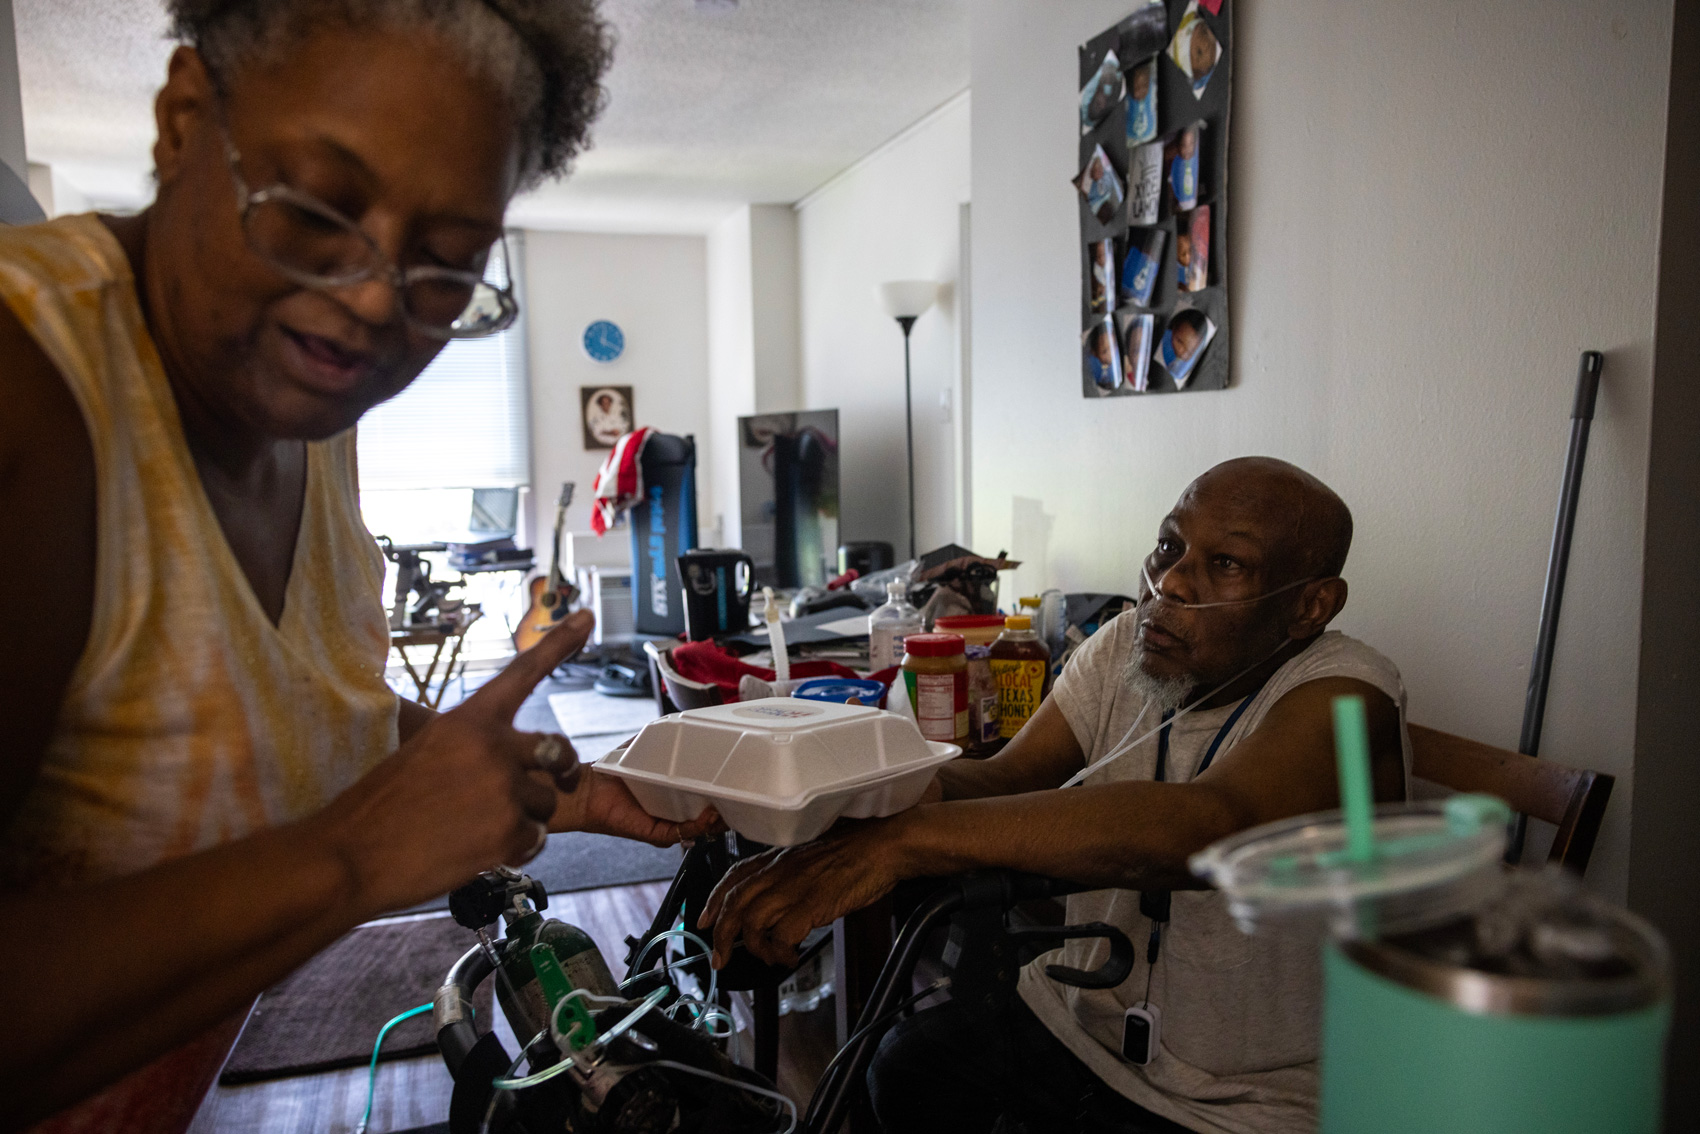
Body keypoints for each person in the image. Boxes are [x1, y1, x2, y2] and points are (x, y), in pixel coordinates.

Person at [0, 3, 715, 1131]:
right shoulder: (29, 388)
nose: (375, 300)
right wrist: (353, 857)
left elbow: (278, 708)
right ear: (185, 119)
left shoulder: (306, 411)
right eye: (318, 208)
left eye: (444, 266)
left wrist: (545, 782)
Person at [699, 458, 1410, 1134]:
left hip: (1245, 1104)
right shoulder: (1131, 641)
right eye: (1168, 546)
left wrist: (900, 842)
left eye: (1225, 564)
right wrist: (835, 795)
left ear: (1312, 604)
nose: (1171, 582)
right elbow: (1006, 778)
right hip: (1081, 1021)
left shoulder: (1349, 692)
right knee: (903, 1072)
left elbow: (1211, 828)